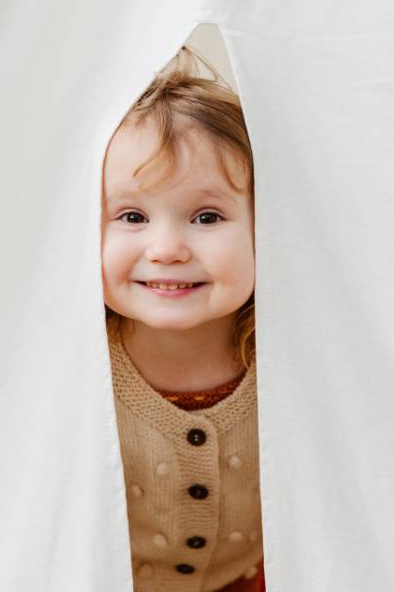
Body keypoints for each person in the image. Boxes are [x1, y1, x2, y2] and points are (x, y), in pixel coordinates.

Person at [101, 45, 266, 592]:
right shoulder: (75, 365)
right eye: (132, 216)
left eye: (207, 216)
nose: (167, 248)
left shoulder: (288, 353)